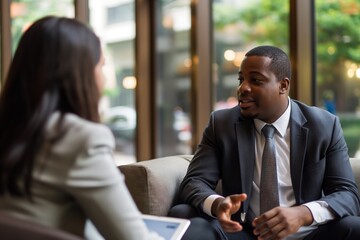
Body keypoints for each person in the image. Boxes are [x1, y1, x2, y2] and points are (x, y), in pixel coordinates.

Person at [0, 16, 216, 240]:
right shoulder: (78, 138)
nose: (103, 75)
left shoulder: (12, 129)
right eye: (101, 64)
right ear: (79, 73)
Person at [169, 45, 360, 240]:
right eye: (241, 79)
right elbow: (194, 182)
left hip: (308, 234)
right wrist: (219, 204)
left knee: (354, 227)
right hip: (244, 233)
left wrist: (303, 214)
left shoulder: (324, 125)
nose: (243, 88)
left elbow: (347, 194)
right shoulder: (222, 124)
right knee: (183, 214)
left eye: (256, 80)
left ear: (283, 86)